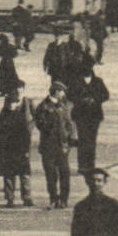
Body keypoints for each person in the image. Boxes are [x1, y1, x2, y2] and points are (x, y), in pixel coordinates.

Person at [0, 80, 35, 206]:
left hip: (24, 142)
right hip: (9, 144)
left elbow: (37, 118)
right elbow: (1, 128)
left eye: (20, 90)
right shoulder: (6, 108)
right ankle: (10, 198)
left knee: (25, 172)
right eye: (16, 91)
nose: (18, 94)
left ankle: (27, 197)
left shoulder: (28, 103)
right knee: (9, 173)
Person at [36, 80, 75, 209]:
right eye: (62, 91)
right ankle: (53, 198)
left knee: (65, 173)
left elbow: (69, 123)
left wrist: (69, 137)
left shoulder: (64, 106)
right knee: (51, 174)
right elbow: (40, 125)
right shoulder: (43, 107)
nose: (63, 94)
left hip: (62, 146)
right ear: (56, 91)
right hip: (48, 146)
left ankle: (64, 200)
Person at [70, 63, 110, 179]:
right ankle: (82, 165)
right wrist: (81, 100)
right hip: (80, 115)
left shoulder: (98, 81)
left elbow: (106, 95)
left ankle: (90, 165)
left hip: (94, 115)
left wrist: (95, 99)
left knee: (91, 140)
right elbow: (70, 95)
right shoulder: (76, 81)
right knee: (83, 139)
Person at [0, 33, 20, 98]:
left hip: (4, 62)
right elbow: (15, 54)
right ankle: (10, 90)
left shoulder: (1, 46)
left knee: (3, 76)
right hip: (10, 62)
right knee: (10, 76)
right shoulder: (10, 46)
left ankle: (4, 91)